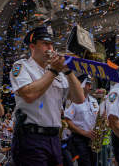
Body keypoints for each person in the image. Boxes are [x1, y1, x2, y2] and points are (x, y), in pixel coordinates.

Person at [10, 26, 84, 166]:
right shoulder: (21, 66)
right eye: (45, 43)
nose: (50, 48)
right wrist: (54, 70)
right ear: (32, 46)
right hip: (31, 137)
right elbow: (29, 94)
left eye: (51, 44)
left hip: (54, 138)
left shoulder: (59, 74)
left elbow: (79, 98)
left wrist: (68, 71)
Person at [64, 74, 99, 166]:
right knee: (85, 163)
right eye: (88, 84)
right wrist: (85, 133)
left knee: (94, 163)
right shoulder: (73, 101)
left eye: (90, 84)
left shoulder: (93, 100)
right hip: (79, 139)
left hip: (93, 139)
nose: (90, 86)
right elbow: (67, 120)